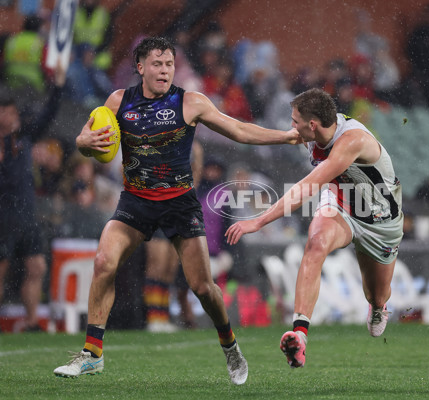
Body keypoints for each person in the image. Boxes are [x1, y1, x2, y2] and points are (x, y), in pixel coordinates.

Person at [53, 36, 299, 384]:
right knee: (103, 262)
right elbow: (85, 138)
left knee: (202, 286)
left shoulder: (191, 102)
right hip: (135, 201)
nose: (164, 70)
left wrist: (285, 136)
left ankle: (229, 344)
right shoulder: (118, 101)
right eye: (157, 63)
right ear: (140, 67)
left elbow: (240, 130)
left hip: (179, 205)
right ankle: (92, 354)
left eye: (169, 64)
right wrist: (84, 142)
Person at [225, 88, 404, 369]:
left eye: (294, 121)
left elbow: (305, 188)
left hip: (380, 219)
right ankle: (300, 334)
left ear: (312, 124)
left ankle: (379, 308)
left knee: (377, 294)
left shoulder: (352, 140)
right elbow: (249, 133)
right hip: (341, 204)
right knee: (316, 243)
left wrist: (258, 221)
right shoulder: (312, 132)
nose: (291, 126)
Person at [0, 64, 65, 332]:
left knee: (36, 266)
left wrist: (57, 87)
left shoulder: (23, 137)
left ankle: (29, 321)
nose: (15, 115)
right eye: (10, 111)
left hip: (26, 215)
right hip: (3, 215)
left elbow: (48, 115)